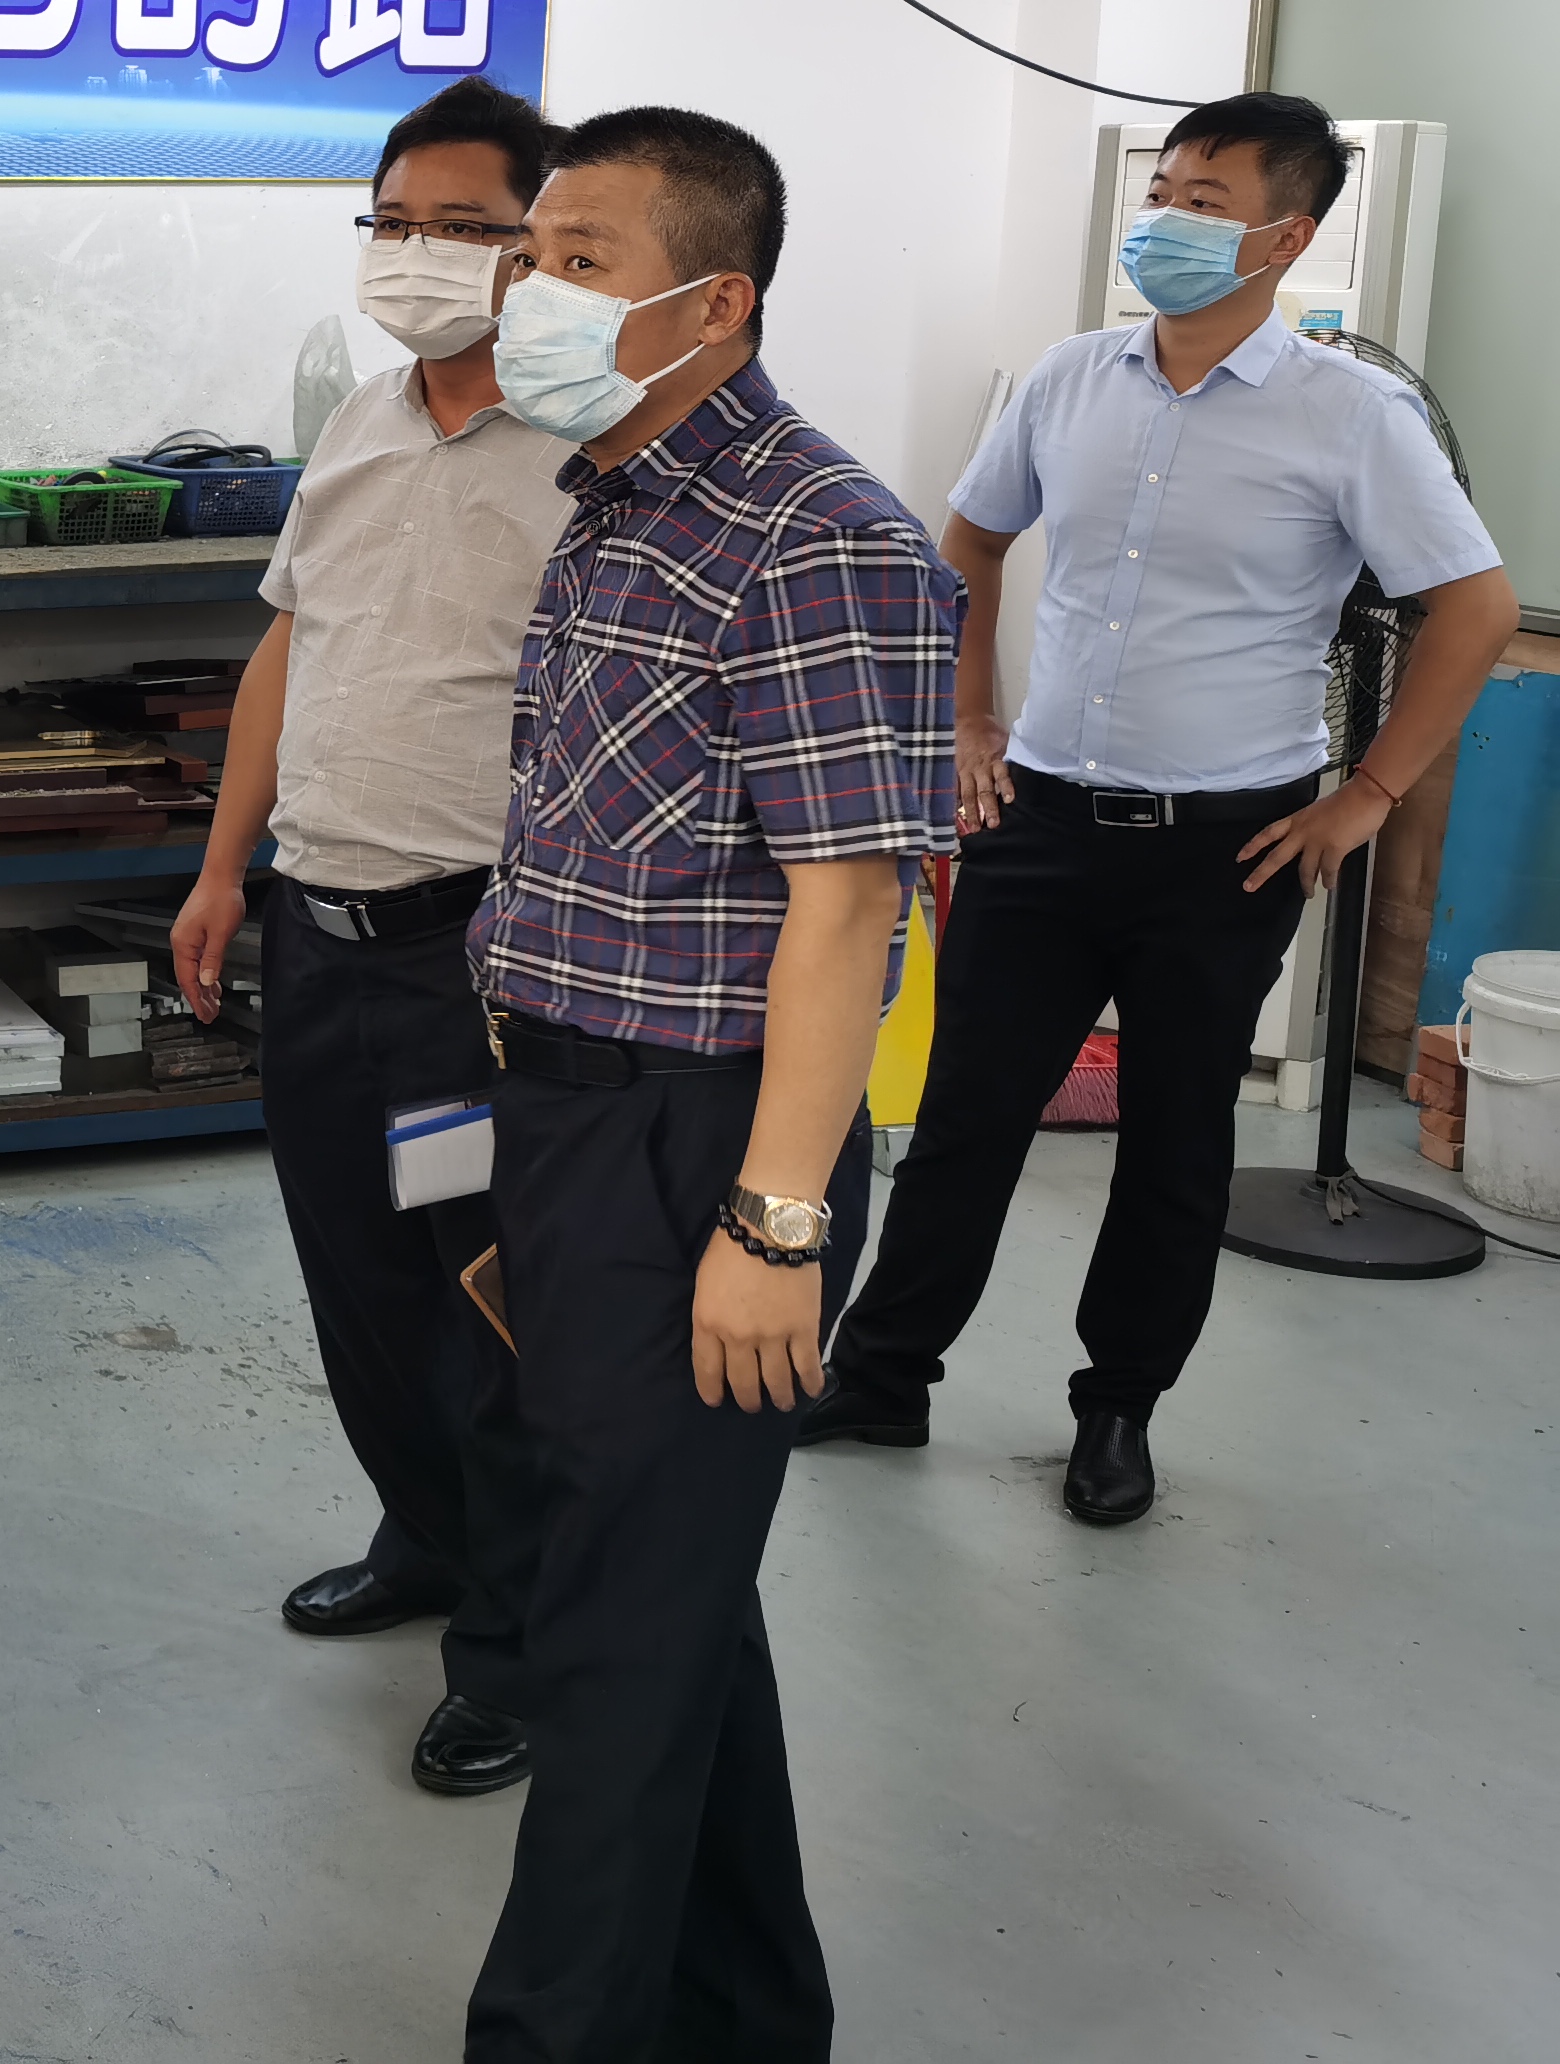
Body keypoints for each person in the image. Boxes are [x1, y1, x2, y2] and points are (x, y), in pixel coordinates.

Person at [807, 93, 1514, 1524]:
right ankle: (882, 1375)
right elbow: (967, 542)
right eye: (1166, 190)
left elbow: (1476, 607)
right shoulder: (1072, 379)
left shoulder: (1353, 415)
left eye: (1206, 200)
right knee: (965, 1119)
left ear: (1286, 236)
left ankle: (1117, 1410)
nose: (1168, 220)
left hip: (1225, 847)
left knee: (1178, 1141)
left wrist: (1368, 795)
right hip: (1042, 822)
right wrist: (968, 720)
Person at [461, 107, 953, 2063]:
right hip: (577, 1124)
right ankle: (749, 2016)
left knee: (608, 1636)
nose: (529, 291)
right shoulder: (615, 502)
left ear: (713, 301)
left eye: (578, 260)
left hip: (708, 1149)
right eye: (531, 254)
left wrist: (777, 1222)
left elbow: (850, 914)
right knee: (664, 1594)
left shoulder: (817, 538)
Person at [171, 78, 572, 1805]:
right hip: (318, 937)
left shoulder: (590, 449)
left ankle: (519, 1642)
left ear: (542, 251)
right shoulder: (357, 420)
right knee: (356, 1272)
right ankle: (424, 1535)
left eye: (463, 227)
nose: (417, 253)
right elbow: (288, 646)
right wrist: (222, 869)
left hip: (468, 967)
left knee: (483, 1293)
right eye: (394, 221)